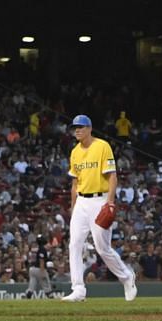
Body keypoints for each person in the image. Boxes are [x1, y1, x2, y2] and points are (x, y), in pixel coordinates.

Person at [62, 115, 137, 302]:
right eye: (75, 128)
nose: (77, 130)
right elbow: (74, 183)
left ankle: (127, 277)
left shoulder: (102, 146)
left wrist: (110, 202)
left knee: (102, 248)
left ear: (89, 128)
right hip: (81, 201)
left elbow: (112, 176)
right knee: (75, 244)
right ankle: (78, 289)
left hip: (99, 199)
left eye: (80, 127)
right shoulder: (75, 152)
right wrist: (73, 208)